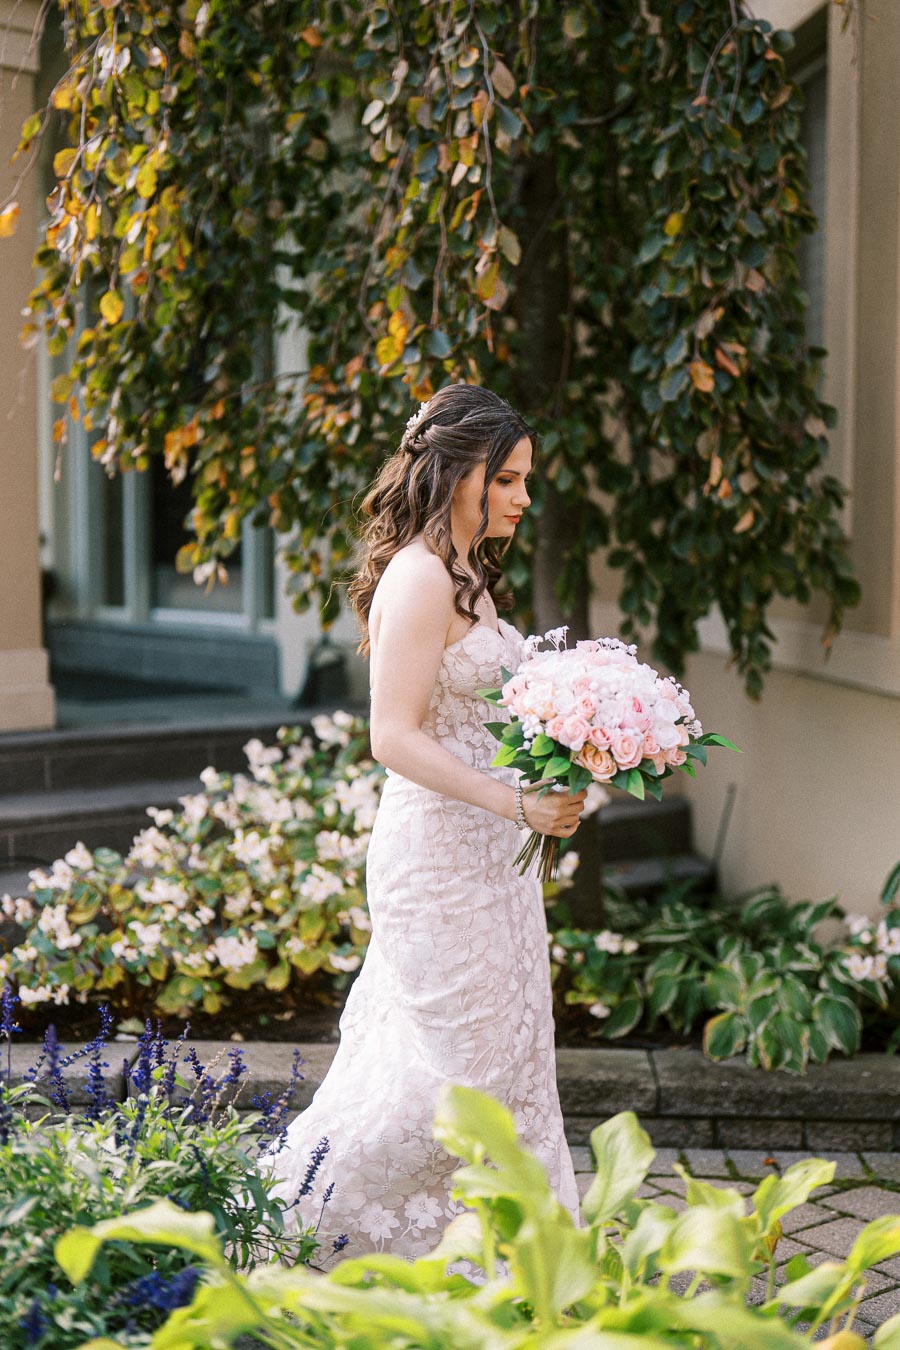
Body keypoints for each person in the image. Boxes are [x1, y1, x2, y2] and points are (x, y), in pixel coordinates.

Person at [266, 383, 586, 1261]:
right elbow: (392, 736)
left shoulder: (469, 576)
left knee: (512, 1059)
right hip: (438, 861)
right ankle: (305, 1229)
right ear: (459, 474)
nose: (524, 497)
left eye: (526, 479)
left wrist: (570, 751)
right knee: (451, 1076)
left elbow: (477, 715)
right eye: (510, 478)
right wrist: (516, 802)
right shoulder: (415, 577)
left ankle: (507, 1258)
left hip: (494, 863)